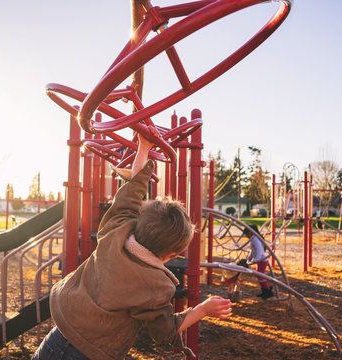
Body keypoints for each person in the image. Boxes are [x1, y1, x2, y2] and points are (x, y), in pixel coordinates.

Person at [32, 130, 232, 360]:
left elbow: (133, 189)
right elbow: (164, 331)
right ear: (172, 254)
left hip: (61, 331)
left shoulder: (116, 229)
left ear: (139, 221)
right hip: (90, 351)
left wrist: (144, 147)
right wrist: (203, 310)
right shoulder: (156, 286)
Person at [242, 224, 273, 300]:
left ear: (250, 233)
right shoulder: (254, 239)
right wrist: (249, 258)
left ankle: (267, 291)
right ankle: (265, 290)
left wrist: (256, 260)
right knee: (259, 276)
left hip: (261, 260)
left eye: (247, 234)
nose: (247, 236)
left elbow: (259, 250)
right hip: (260, 260)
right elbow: (253, 251)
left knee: (260, 276)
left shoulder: (256, 240)